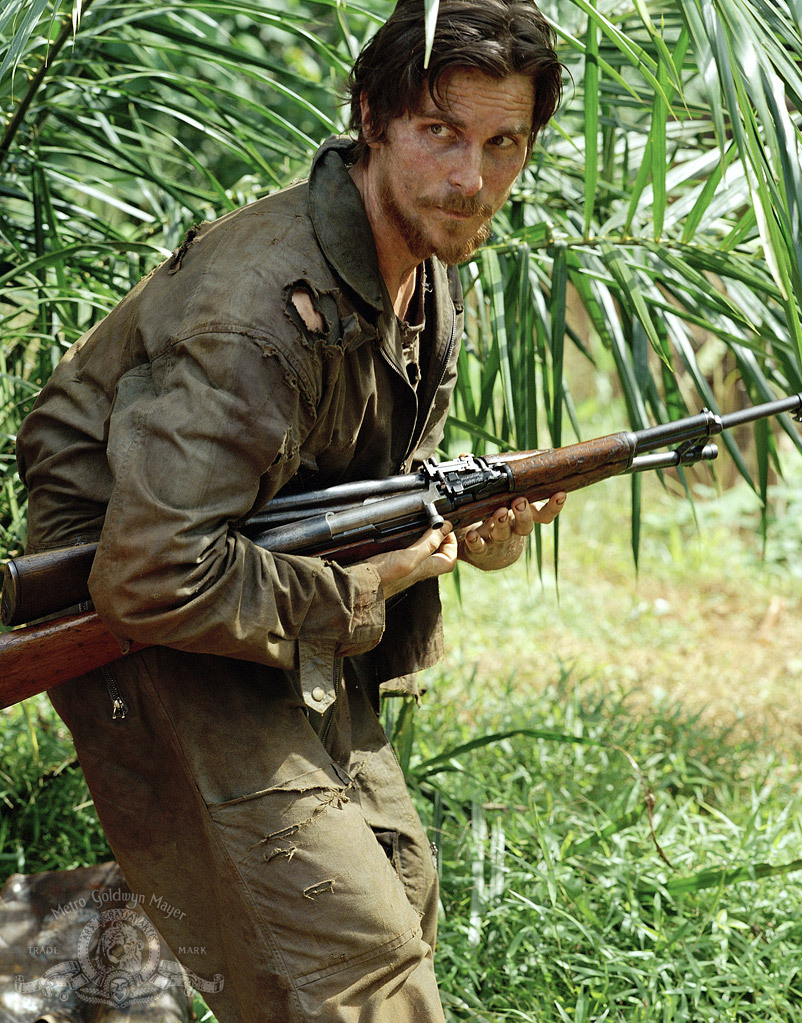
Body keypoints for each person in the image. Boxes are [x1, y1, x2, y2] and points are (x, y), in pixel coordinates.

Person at [15, 1, 565, 1019]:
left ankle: (92, 964)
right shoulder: (257, 313)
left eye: (503, 146)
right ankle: (80, 963)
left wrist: (459, 538)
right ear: (372, 116)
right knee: (351, 957)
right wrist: (366, 587)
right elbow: (147, 573)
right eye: (440, 134)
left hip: (261, 578)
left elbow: (360, 474)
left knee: (399, 897)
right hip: (130, 608)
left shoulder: (429, 273)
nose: (471, 181)